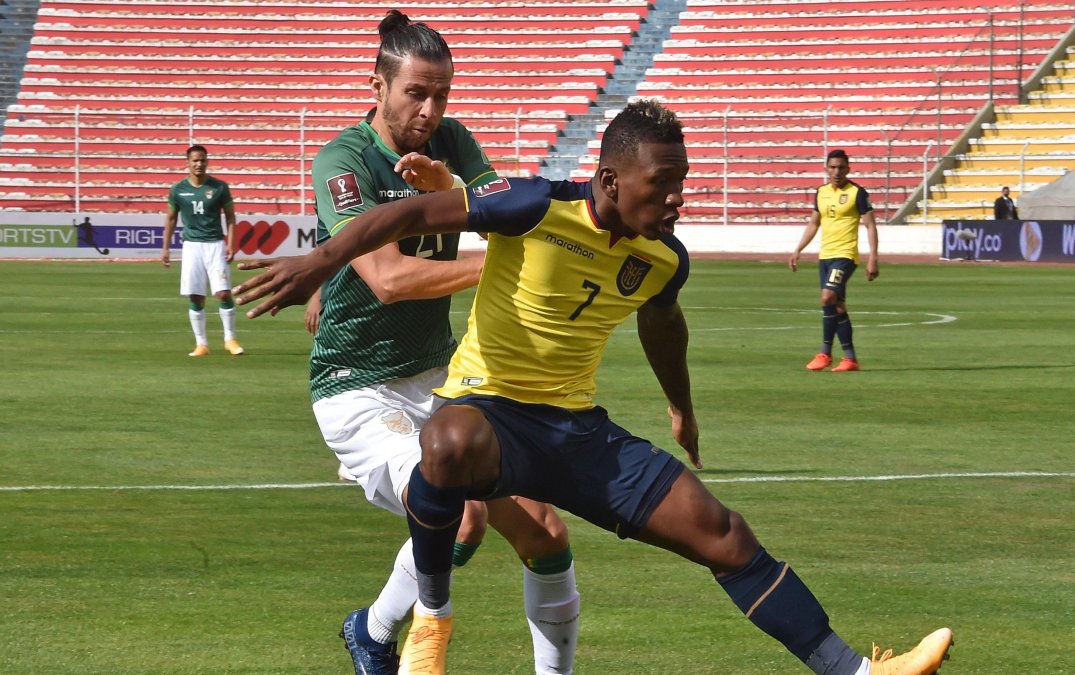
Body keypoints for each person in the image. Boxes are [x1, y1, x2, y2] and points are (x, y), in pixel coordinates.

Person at [235, 99, 953, 675]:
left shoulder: (664, 256)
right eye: (661, 184)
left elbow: (663, 327)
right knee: (445, 441)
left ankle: (856, 670)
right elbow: (416, 213)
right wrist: (321, 260)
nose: (677, 197)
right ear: (610, 181)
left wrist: (681, 407)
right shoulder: (533, 206)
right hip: (488, 414)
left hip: (577, 434)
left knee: (724, 534)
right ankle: (431, 621)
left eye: (683, 182)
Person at [306, 12, 579, 675]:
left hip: (438, 379)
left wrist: (455, 193)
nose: (430, 111)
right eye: (415, 94)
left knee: (544, 531)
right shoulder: (346, 161)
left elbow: (519, 221)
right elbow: (390, 277)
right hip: (356, 385)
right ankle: (392, 645)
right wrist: (496, 262)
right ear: (378, 85)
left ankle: (372, 632)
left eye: (442, 96)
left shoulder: (453, 142)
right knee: (459, 518)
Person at [788, 149, 879, 372]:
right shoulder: (821, 192)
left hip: (845, 255)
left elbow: (870, 225)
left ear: (848, 169)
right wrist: (798, 249)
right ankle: (850, 358)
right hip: (825, 256)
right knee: (836, 306)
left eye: (841, 167)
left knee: (827, 296)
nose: (836, 171)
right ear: (826, 169)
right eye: (832, 167)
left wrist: (873, 258)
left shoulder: (857, 193)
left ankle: (825, 353)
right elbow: (814, 224)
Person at [162, 144, 243, 357]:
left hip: (215, 244)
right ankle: (201, 344)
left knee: (223, 292)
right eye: (195, 160)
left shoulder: (219, 187)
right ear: (187, 163)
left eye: (202, 160)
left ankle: (230, 339)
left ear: (207, 162)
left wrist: (231, 243)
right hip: (192, 247)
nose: (199, 164)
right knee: (196, 296)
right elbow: (171, 219)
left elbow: (231, 216)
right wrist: (166, 248)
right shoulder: (178, 189)